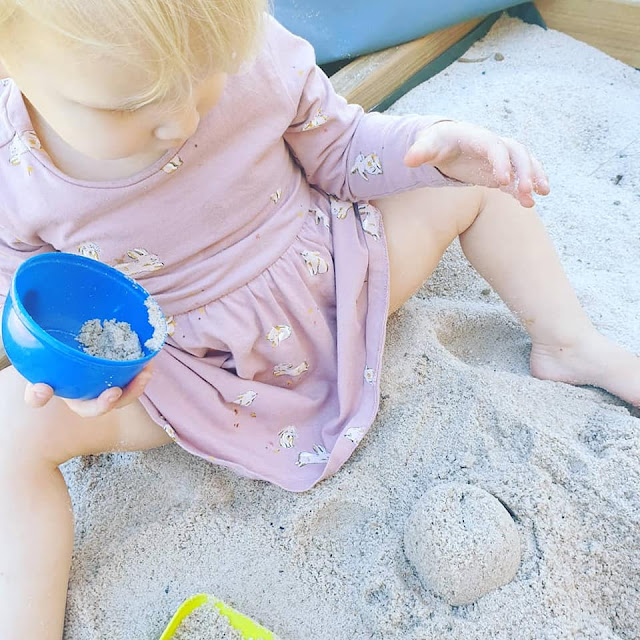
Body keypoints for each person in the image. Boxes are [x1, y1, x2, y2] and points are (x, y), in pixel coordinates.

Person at [0, 1, 637, 637]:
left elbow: (341, 148)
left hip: (335, 290)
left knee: (479, 178)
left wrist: (432, 146)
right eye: (126, 106)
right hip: (189, 378)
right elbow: (36, 300)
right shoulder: (15, 175)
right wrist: (69, 374)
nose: (180, 120)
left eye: (203, 76)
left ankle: (569, 342)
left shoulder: (249, 50)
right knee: (11, 434)